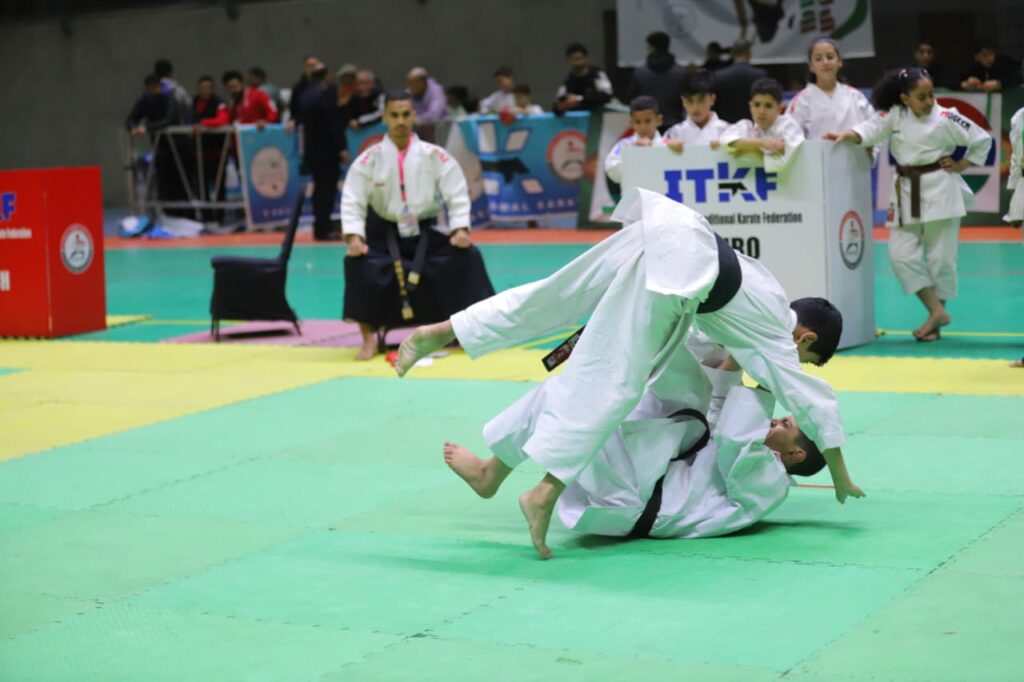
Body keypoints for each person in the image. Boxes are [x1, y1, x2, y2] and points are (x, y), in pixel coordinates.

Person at [395, 188, 864, 558]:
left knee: (556, 296)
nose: (795, 370)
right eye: (806, 360)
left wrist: (732, 365)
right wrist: (840, 477)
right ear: (804, 340)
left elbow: (702, 359)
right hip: (683, 271)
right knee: (614, 383)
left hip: (674, 234)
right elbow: (815, 403)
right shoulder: (777, 339)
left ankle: (447, 330)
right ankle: (545, 491)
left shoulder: (764, 295)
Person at [445, 373, 826, 541]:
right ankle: (490, 473)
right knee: (561, 391)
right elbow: (722, 417)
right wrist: (735, 355)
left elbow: (731, 437)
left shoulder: (771, 483)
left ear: (794, 454)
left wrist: (766, 376)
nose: (774, 420)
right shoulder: (759, 460)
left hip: (633, 500)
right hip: (639, 482)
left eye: (785, 424)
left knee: (583, 404)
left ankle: (500, 479)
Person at [826, 68, 994, 342]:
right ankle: (937, 311)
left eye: (931, 95)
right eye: (921, 97)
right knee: (900, 254)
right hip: (906, 191)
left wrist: (962, 163)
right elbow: (870, 129)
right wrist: (849, 135)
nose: (929, 101)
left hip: (941, 189)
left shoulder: (947, 116)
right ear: (905, 98)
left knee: (941, 259)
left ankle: (935, 323)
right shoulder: (895, 115)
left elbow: (982, 139)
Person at [341, 91, 495, 361]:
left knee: (467, 257)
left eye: (405, 115)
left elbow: (457, 193)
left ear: (414, 116)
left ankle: (466, 332)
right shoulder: (369, 159)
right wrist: (354, 237)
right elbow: (352, 199)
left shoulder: (435, 155)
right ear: (385, 118)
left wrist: (460, 229)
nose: (400, 121)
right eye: (394, 115)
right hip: (385, 235)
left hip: (425, 235)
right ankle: (368, 339)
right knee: (357, 263)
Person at [787, 38, 874, 142]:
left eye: (830, 57)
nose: (825, 62)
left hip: (854, 152)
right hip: (817, 153)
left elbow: (875, 129)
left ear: (839, 61)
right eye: (818, 59)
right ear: (811, 66)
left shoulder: (856, 97)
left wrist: (866, 143)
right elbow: (789, 137)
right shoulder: (801, 102)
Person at [300, 64, 347, 241]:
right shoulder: (326, 94)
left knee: (319, 188)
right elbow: (333, 123)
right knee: (326, 190)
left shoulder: (305, 95)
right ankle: (324, 229)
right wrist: (342, 148)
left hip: (312, 150)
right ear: (326, 76)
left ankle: (320, 226)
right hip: (327, 151)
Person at [720, 77, 805, 174]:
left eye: (768, 106)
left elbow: (784, 164)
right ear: (750, 106)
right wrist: (761, 143)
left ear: (779, 109)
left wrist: (750, 150)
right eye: (757, 105)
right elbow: (725, 140)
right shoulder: (746, 126)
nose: (761, 111)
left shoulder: (789, 127)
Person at [627, 31, 688, 130]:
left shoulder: (639, 74)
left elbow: (632, 100)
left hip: (647, 128)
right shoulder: (682, 73)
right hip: (676, 125)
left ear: (652, 48)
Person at [664, 69, 730, 153]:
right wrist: (667, 144)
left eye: (701, 100)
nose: (695, 107)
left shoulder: (728, 131)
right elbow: (658, 143)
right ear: (683, 101)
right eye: (689, 101)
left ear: (712, 99)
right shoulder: (674, 133)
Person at [192, 75, 229, 222]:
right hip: (199, 153)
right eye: (202, 88)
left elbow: (223, 119)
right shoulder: (195, 102)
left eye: (207, 87)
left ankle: (220, 217)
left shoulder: (219, 102)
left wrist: (204, 123)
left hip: (217, 153)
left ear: (212, 89)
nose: (205, 90)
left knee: (219, 186)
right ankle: (205, 217)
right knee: (201, 187)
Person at [604, 96, 664, 184]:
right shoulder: (624, 145)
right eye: (638, 122)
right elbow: (611, 170)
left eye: (648, 121)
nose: (643, 127)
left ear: (659, 120)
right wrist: (635, 153)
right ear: (631, 123)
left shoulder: (667, 145)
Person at [712, 40, 767, 125]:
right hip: (752, 126)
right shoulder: (761, 75)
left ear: (732, 54)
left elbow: (714, 105)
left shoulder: (718, 76)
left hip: (725, 126)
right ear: (749, 54)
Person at [201, 70, 279, 129]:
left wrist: (265, 121)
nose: (233, 91)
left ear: (242, 84)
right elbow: (225, 120)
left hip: (260, 138)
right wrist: (203, 122)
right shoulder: (232, 104)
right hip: (242, 140)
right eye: (229, 88)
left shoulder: (259, 94)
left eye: (234, 86)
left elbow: (273, 112)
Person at [553, 42, 613, 114]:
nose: (577, 63)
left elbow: (606, 95)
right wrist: (562, 105)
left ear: (585, 58)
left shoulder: (596, 74)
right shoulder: (569, 81)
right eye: (573, 59)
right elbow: (557, 102)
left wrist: (579, 99)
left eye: (579, 58)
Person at [288, 55, 321, 124]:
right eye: (310, 66)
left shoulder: (325, 86)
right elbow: (294, 110)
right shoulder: (298, 88)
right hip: (303, 124)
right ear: (305, 68)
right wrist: (293, 120)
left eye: (316, 66)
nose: (313, 69)